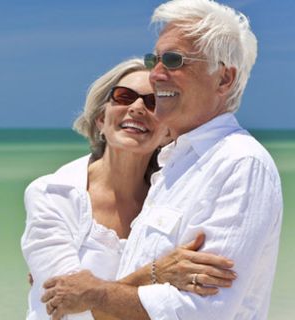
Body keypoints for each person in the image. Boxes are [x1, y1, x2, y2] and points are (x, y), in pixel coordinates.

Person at [40, 1, 283, 319]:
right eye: (154, 59)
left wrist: (94, 295)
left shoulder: (240, 164)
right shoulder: (172, 165)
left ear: (223, 79)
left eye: (173, 60)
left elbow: (201, 312)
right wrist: (150, 275)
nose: (155, 75)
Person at [21, 58, 236, 320]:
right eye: (124, 97)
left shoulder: (174, 199)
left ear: (168, 132)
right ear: (101, 119)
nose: (136, 108)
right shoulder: (53, 194)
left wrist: (92, 293)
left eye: (153, 102)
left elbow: (187, 302)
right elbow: (72, 311)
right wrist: (155, 274)